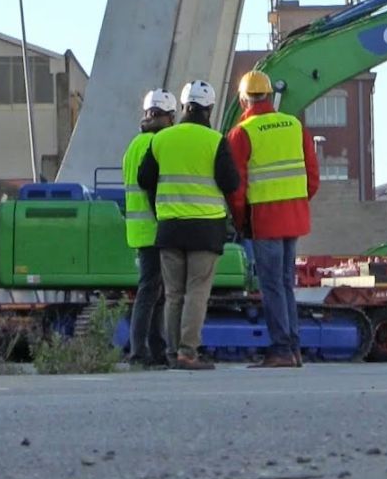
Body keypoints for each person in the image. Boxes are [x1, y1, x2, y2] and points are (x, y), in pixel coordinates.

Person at [138, 80, 240, 370]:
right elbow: (231, 183)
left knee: (173, 294)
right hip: (206, 229)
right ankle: (188, 352)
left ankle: (172, 353)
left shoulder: (161, 140)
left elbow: (145, 179)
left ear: (183, 107)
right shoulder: (215, 140)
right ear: (208, 109)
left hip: (170, 228)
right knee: (197, 291)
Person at [227, 70, 320, 369]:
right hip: (293, 217)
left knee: (272, 286)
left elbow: (236, 188)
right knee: (285, 284)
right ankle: (292, 349)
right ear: (268, 96)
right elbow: (313, 178)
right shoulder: (294, 125)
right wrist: (295, 202)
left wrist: (240, 221)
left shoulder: (243, 133)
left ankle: (282, 349)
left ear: (244, 99)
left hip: (264, 220)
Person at [123, 89, 176, 367]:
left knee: (154, 292)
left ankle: (153, 348)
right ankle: (141, 351)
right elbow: (155, 188)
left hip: (138, 228)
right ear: (167, 117)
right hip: (155, 228)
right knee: (150, 292)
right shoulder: (157, 144)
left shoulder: (134, 145)